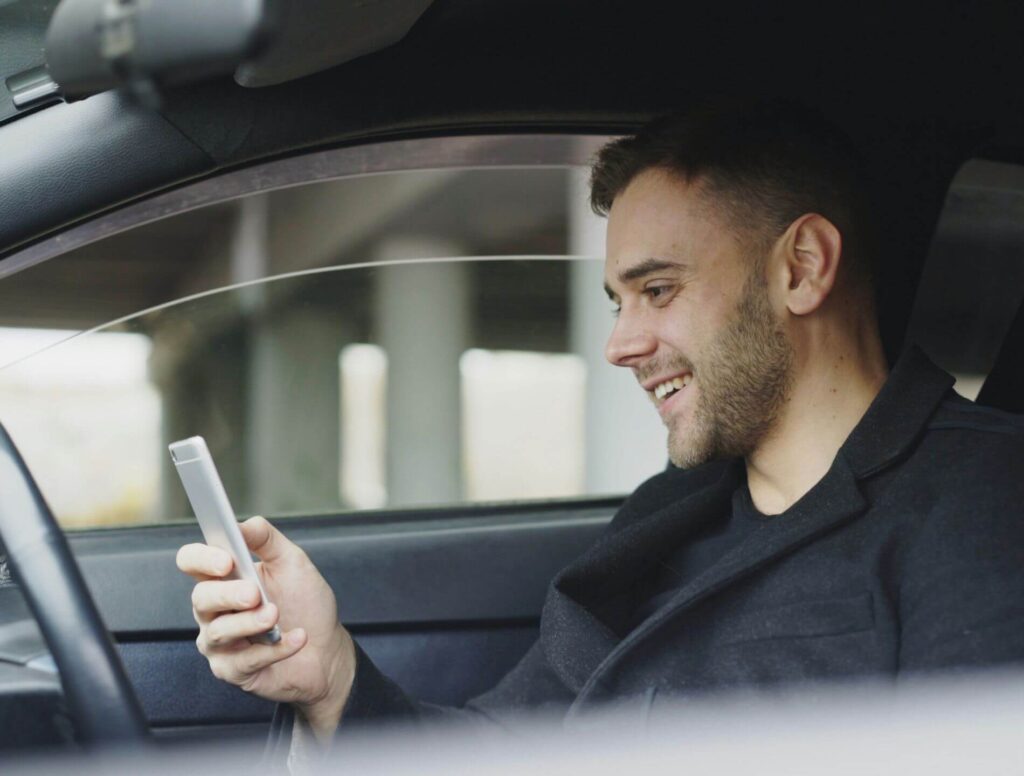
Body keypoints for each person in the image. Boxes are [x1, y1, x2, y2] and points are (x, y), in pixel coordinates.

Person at [176, 101, 1024, 754]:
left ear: (801, 269)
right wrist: (331, 678)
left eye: (658, 291)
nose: (620, 345)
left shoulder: (984, 505)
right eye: (619, 303)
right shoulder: (663, 515)